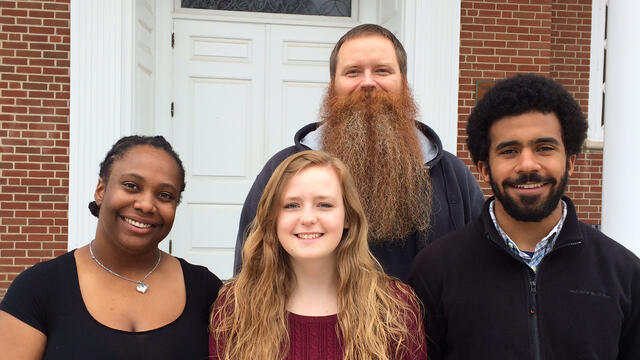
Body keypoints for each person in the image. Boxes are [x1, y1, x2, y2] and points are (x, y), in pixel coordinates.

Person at [408, 74, 640, 359]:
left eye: (544, 148)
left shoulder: (624, 274)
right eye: (509, 151)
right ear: (484, 169)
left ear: (570, 162)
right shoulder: (435, 271)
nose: (527, 164)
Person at [235, 24, 484, 281]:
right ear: (333, 85)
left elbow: (482, 269)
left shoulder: (452, 176)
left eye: (382, 71)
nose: (367, 82)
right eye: (353, 72)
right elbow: (251, 267)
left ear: (404, 82)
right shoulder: (282, 170)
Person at [0, 135, 223, 359]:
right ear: (101, 190)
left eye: (165, 195)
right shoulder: (37, 289)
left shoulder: (207, 291)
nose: (146, 205)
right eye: (131, 186)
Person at [210, 150, 426, 359]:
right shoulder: (236, 306)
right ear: (272, 218)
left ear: (348, 217)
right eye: (292, 205)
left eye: (324, 205)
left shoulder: (394, 307)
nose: (307, 218)